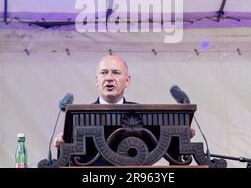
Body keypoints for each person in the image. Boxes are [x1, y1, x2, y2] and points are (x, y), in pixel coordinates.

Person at [54, 55, 195, 149]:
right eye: (104, 73)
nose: (109, 78)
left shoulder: (144, 114)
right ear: (97, 81)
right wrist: (64, 141)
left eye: (116, 72)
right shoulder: (80, 117)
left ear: (127, 81)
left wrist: (181, 135)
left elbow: (161, 146)